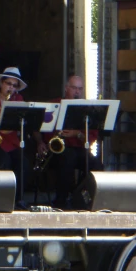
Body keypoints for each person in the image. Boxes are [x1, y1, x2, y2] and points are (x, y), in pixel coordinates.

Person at [0, 67, 47, 204]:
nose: (11, 88)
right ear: (1, 83)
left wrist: (40, 141)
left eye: (14, 85)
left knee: (24, 164)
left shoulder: (20, 101)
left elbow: (32, 125)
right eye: (8, 84)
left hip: (12, 143)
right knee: (3, 160)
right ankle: (1, 199)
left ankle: (17, 199)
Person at [43, 75, 101, 208]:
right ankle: (61, 200)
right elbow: (41, 127)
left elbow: (91, 138)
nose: (77, 92)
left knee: (96, 164)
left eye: (80, 89)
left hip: (78, 149)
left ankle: (80, 196)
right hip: (56, 151)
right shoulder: (54, 104)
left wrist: (77, 134)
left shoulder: (87, 109)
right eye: (74, 88)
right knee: (68, 158)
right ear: (66, 88)